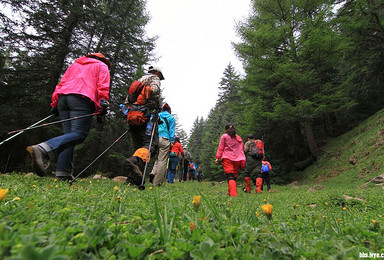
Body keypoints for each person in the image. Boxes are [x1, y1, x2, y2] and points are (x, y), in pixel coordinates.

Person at [26, 53, 111, 181]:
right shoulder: (101, 66)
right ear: (102, 60)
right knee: (79, 134)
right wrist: (102, 106)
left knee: (68, 137)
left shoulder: (75, 64)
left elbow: (62, 83)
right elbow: (102, 87)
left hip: (63, 98)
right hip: (82, 99)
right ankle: (44, 148)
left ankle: (63, 174)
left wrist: (55, 104)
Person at [124, 66, 164, 186]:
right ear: (156, 72)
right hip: (147, 117)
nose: (160, 79)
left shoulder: (139, 80)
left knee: (138, 147)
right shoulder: (154, 78)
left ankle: (132, 179)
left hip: (132, 116)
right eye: (160, 77)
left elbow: (127, 101)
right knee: (150, 146)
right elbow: (155, 90)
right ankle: (134, 161)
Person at [215, 124, 246, 197]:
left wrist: (217, 157)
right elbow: (242, 149)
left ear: (226, 130)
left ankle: (233, 194)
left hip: (227, 158)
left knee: (230, 176)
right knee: (234, 177)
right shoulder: (239, 138)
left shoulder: (224, 136)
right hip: (238, 159)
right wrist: (242, 160)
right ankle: (230, 192)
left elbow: (221, 147)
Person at [150, 103, 175, 186]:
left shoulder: (157, 115)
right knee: (162, 161)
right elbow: (172, 131)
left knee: (157, 158)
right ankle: (156, 182)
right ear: (169, 110)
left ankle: (153, 173)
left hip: (155, 138)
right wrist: (171, 141)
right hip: (165, 139)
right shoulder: (171, 118)